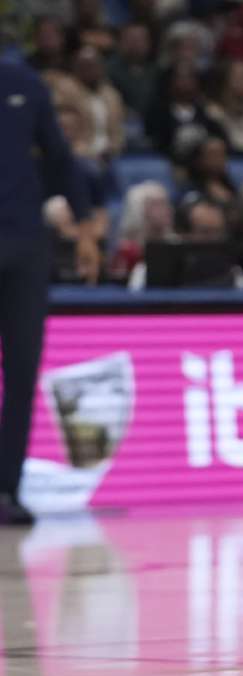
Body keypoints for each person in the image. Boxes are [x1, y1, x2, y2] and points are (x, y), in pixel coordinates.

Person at [0, 60, 92, 525]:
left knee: (21, 373)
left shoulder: (24, 83)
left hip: (24, 246)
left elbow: (57, 156)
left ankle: (7, 490)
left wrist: (87, 221)